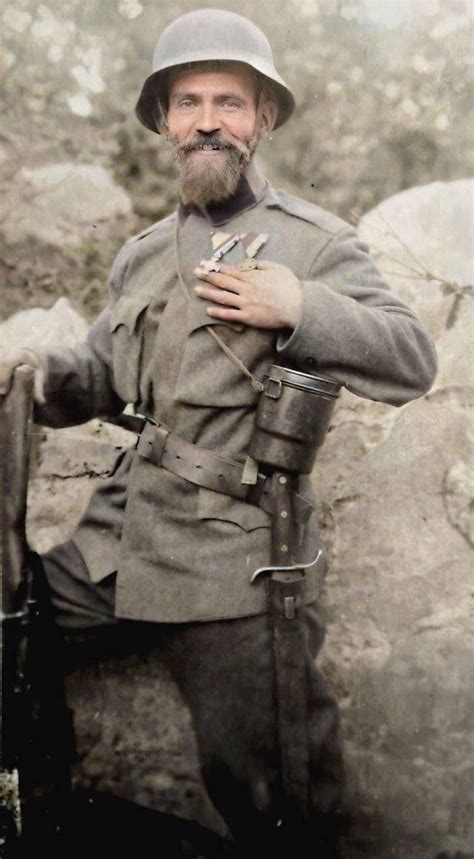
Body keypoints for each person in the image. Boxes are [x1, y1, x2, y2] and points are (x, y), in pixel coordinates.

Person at [0, 9, 437, 857]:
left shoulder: (314, 243)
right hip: (116, 550)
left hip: (237, 565)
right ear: (164, 120)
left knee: (274, 798)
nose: (208, 120)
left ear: (262, 119)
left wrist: (301, 307)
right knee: (14, 638)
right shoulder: (141, 254)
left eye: (229, 102)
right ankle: (43, 809)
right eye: (189, 100)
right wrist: (34, 376)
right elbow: (99, 370)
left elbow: (412, 357)